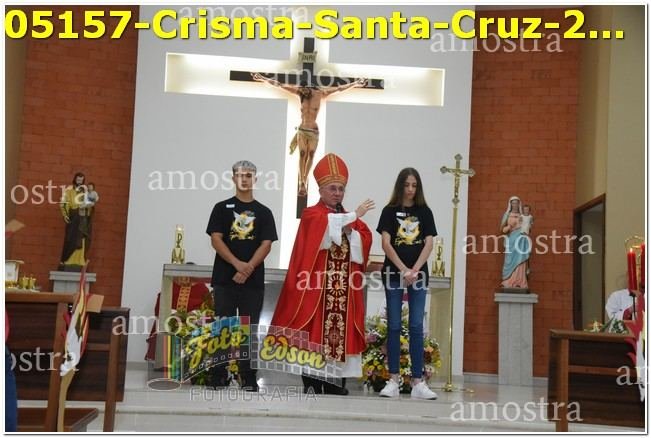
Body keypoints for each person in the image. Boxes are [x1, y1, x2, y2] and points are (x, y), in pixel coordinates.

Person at [270, 153, 375, 395]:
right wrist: (353, 216)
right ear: (321, 190)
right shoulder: (312, 214)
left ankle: (335, 383)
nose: (338, 193)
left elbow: (364, 242)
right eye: (333, 188)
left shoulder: (351, 220)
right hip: (316, 290)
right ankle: (311, 382)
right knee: (313, 334)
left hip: (343, 291)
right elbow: (325, 227)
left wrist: (352, 232)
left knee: (340, 335)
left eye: (341, 189)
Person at [206, 160, 278, 391]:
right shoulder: (221, 208)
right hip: (225, 280)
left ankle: (247, 376)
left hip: (252, 282)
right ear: (233, 178)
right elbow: (216, 239)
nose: (244, 179)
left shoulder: (264, 212)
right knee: (223, 328)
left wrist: (248, 269)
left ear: (255, 179)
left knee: (249, 329)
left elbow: (266, 244)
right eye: (240, 175)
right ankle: (218, 375)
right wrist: (237, 264)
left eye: (249, 175)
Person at [376, 168, 438, 400]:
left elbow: (429, 243)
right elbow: (386, 243)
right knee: (393, 325)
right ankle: (393, 379)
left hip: (418, 276)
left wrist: (414, 270)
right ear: (400, 186)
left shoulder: (425, 211)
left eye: (414, 185)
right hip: (394, 273)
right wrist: (403, 270)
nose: (410, 189)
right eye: (407, 185)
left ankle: (417, 382)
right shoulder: (389, 211)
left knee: (416, 326)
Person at [251, 73, 367, 196]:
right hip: (302, 129)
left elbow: (339, 89)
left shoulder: (320, 93)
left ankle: (305, 179)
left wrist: (355, 83)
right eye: (302, 90)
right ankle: (302, 182)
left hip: (313, 131)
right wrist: (262, 78)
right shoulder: (300, 93)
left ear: (310, 88)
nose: (303, 92)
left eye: (305, 90)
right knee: (302, 154)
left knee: (310, 154)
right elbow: (280, 85)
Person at [59, 172, 94, 271]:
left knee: (81, 238)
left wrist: (89, 208)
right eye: (78, 180)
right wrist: (65, 214)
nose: (79, 182)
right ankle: (67, 260)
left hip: (82, 218)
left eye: (81, 180)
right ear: (75, 180)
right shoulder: (69, 191)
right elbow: (64, 203)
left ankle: (80, 260)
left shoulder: (85, 192)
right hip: (73, 216)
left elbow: (90, 205)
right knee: (70, 238)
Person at [500, 196, 531, 288]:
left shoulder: (522, 215)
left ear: (519, 204)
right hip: (511, 240)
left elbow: (528, 228)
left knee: (520, 260)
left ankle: (520, 281)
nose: (515, 205)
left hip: (521, 240)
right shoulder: (507, 215)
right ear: (510, 204)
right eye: (513, 203)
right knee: (509, 260)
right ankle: (508, 281)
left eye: (516, 203)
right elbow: (502, 230)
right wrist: (509, 226)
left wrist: (527, 227)